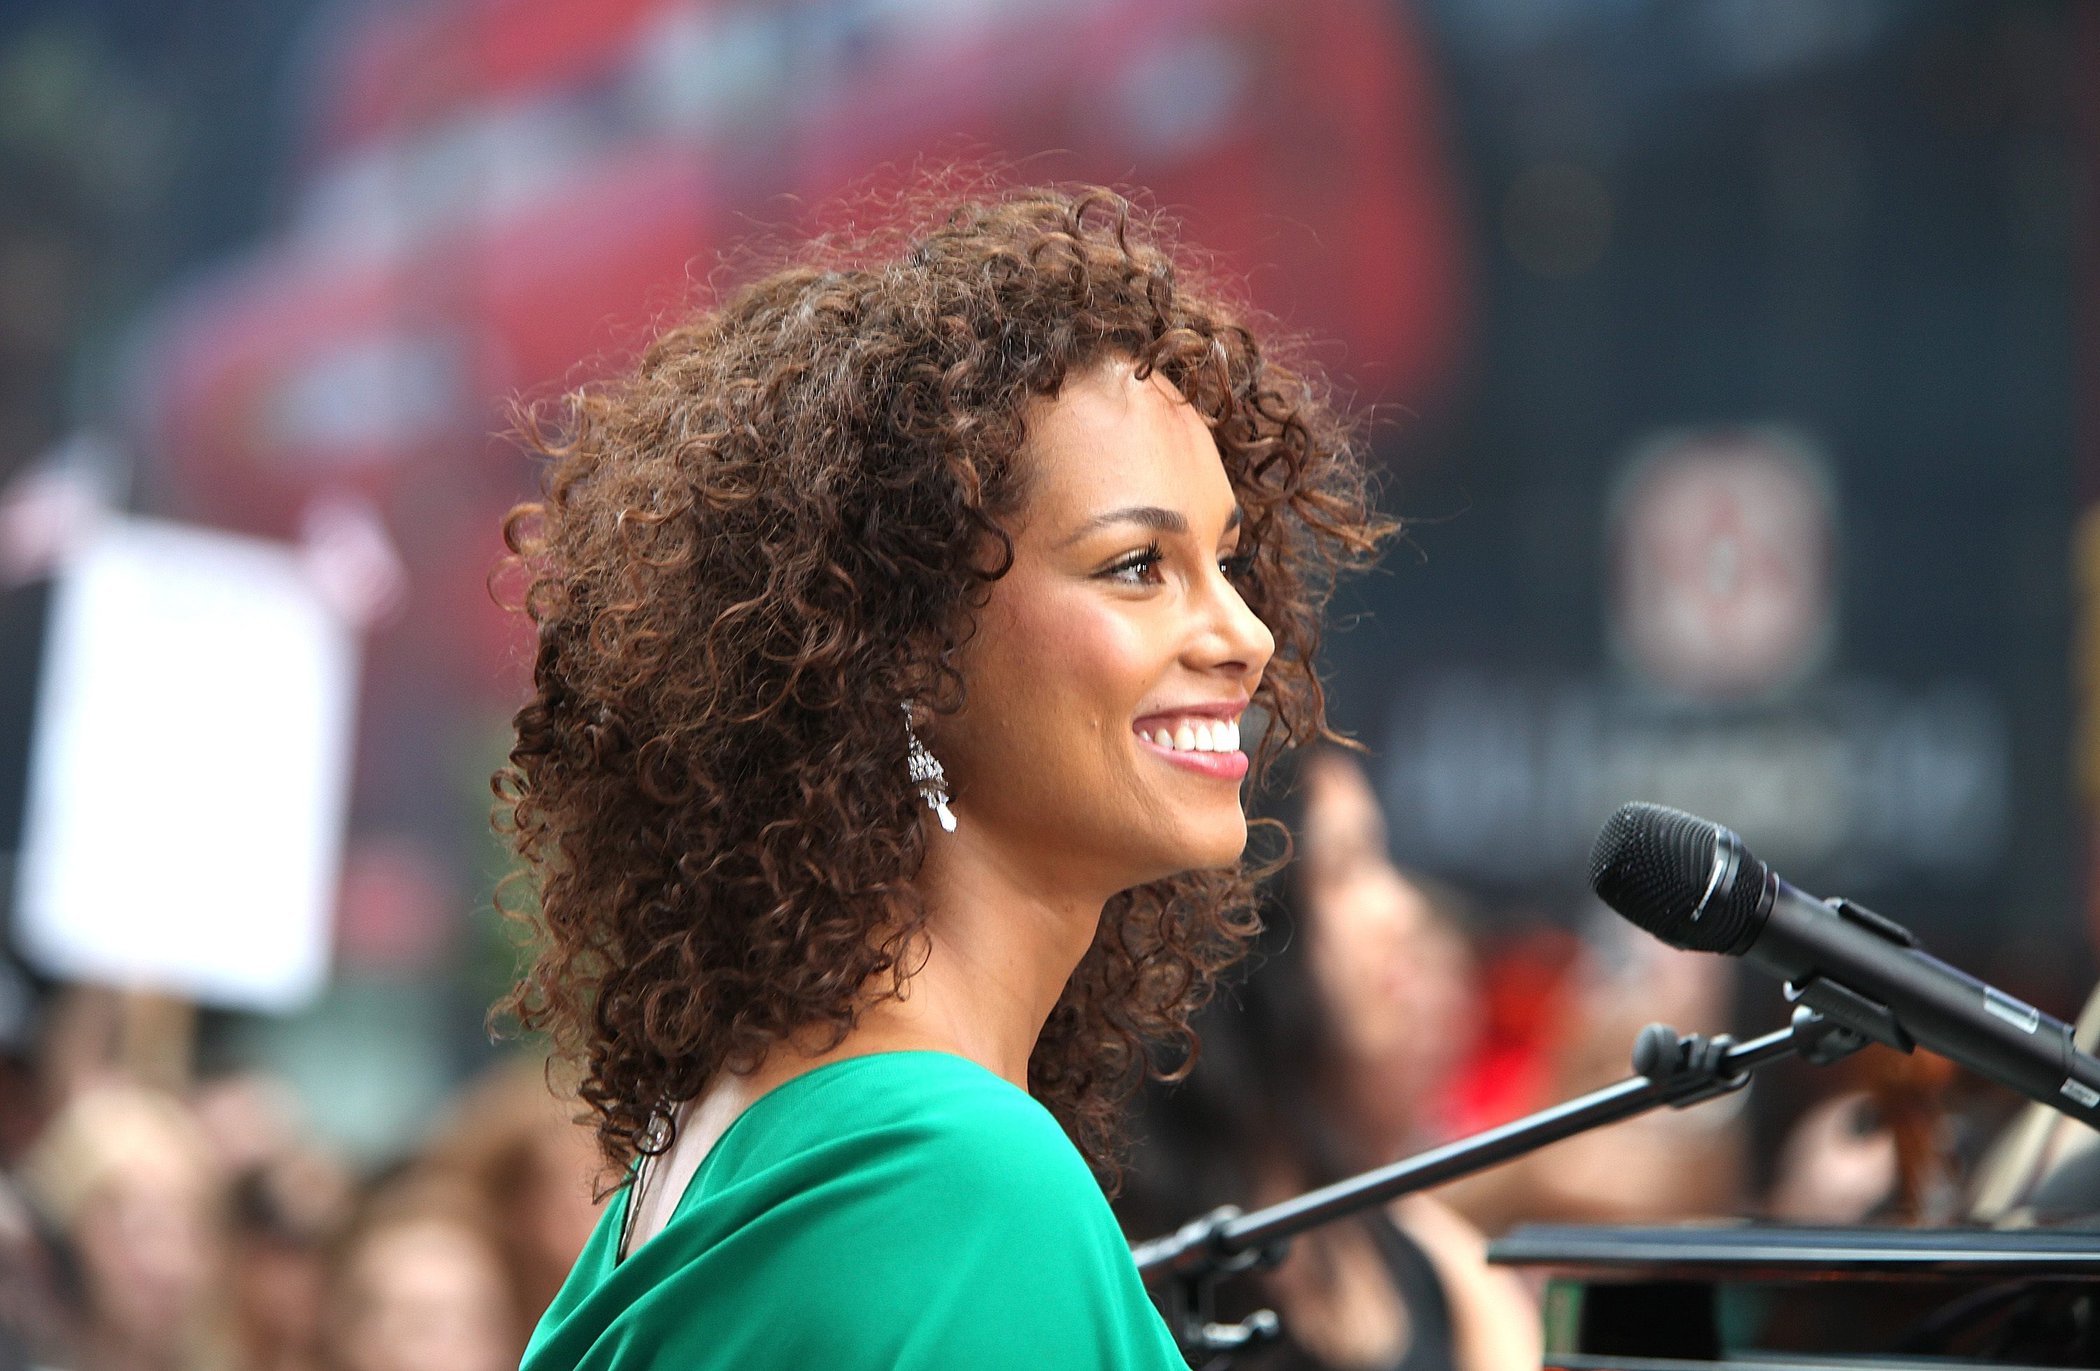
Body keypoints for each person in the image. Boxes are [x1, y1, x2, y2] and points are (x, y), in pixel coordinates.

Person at [493, 184, 1391, 1368]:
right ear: (906, 650)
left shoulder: (721, 1148)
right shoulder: (960, 1183)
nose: (1244, 633)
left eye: (1225, 560)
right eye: (1136, 566)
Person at [1118, 747, 1539, 1371]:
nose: (1402, 911)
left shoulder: (1447, 1272)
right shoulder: (1122, 1268)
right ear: (1233, 923)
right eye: (1345, 867)